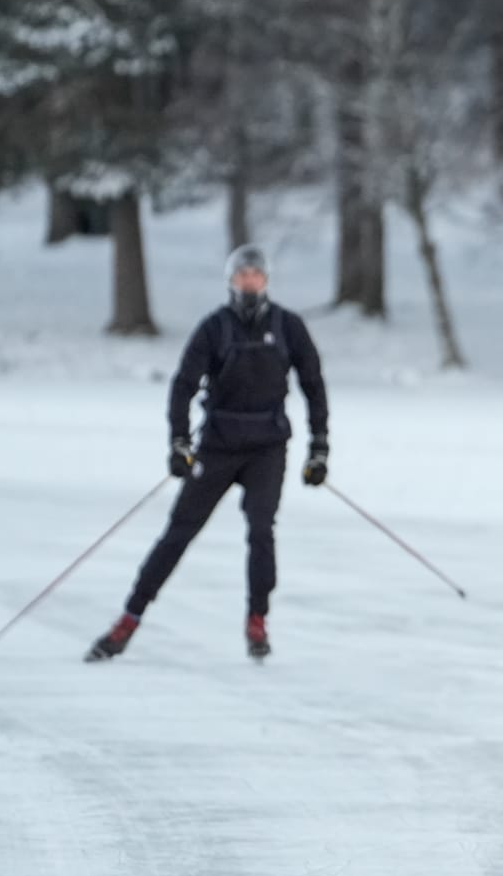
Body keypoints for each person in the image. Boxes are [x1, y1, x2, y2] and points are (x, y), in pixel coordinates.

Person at [87, 246, 330, 662]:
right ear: (231, 281)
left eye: (256, 275)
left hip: (267, 448)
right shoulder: (214, 328)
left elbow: (314, 385)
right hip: (217, 447)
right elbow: (183, 385)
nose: (249, 282)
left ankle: (257, 620)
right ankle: (129, 618)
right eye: (242, 275)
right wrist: (179, 442)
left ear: (266, 281)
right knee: (179, 532)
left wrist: (319, 448)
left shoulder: (288, 327)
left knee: (261, 530)